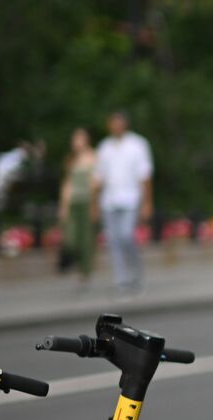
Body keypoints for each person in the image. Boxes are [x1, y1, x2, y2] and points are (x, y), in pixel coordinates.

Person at [94, 111, 153, 293]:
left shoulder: (138, 144)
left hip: (130, 198)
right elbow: (99, 177)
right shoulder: (104, 147)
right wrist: (94, 202)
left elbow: (145, 175)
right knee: (113, 240)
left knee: (127, 236)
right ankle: (122, 279)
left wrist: (147, 202)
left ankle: (136, 272)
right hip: (109, 201)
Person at [58, 128, 97, 284]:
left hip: (87, 201)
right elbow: (67, 183)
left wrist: (94, 204)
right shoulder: (71, 160)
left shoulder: (93, 157)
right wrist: (63, 206)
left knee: (86, 238)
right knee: (71, 238)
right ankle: (76, 263)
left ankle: (85, 270)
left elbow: (96, 182)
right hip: (73, 202)